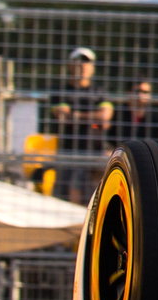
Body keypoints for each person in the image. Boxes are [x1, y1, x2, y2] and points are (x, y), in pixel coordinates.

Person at [48, 47, 113, 201]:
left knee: (94, 197)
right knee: (63, 197)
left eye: (87, 62)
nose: (83, 66)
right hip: (68, 149)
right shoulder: (60, 90)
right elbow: (62, 116)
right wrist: (93, 116)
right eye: (78, 62)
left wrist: (75, 115)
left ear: (92, 67)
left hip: (95, 150)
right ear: (70, 66)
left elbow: (105, 116)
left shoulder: (99, 91)